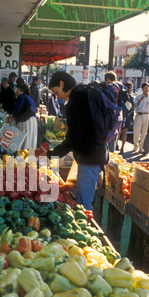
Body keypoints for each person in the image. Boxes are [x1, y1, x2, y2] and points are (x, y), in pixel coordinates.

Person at [40, 71, 109, 211]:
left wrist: (51, 154)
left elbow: (73, 138)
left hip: (90, 157)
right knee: (85, 199)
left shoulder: (75, 101)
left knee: (83, 204)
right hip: (97, 154)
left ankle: (87, 230)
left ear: (62, 84)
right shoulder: (85, 93)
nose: (57, 95)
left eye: (56, 91)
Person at [7, 82, 37, 149]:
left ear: (22, 91)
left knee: (24, 141)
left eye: (18, 90)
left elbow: (18, 109)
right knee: (30, 142)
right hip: (32, 121)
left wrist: (12, 118)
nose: (16, 91)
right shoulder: (27, 97)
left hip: (26, 121)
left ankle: (22, 157)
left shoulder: (21, 96)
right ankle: (29, 157)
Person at [133, 82, 149, 153]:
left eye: (148, 88)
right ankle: (136, 146)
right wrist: (141, 99)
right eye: (145, 88)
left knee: (144, 132)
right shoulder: (138, 97)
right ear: (142, 89)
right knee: (137, 131)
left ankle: (141, 147)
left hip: (147, 115)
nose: (146, 89)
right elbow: (135, 106)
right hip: (139, 115)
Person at [100, 71, 117, 152]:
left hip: (110, 115)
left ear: (108, 79)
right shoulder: (119, 86)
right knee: (114, 135)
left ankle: (110, 156)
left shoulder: (110, 88)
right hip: (118, 115)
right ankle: (112, 153)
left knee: (108, 136)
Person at [116, 81, 135, 155]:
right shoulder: (129, 97)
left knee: (118, 131)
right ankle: (122, 148)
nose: (131, 89)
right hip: (127, 116)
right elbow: (131, 108)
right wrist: (132, 118)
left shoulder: (120, 95)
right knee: (124, 132)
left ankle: (117, 144)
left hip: (120, 116)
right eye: (131, 88)